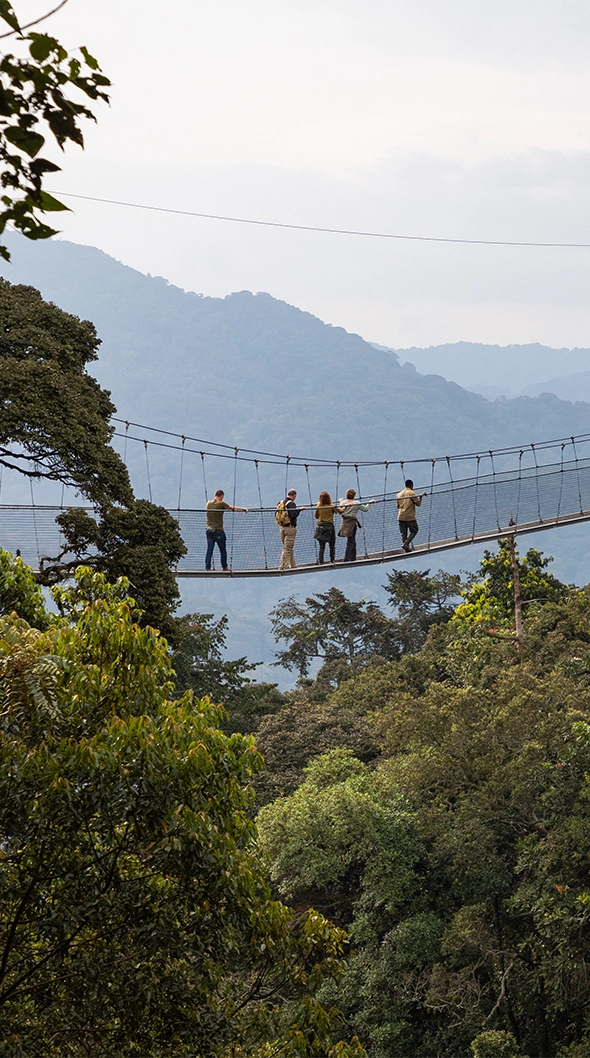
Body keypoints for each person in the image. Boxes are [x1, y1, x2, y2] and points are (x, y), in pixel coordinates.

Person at [205, 489, 248, 571]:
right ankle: (224, 567)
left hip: (209, 530)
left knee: (209, 550)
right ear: (221, 496)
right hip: (218, 530)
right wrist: (243, 509)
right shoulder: (221, 503)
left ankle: (207, 567)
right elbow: (232, 508)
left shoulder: (208, 503)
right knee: (223, 550)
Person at [338, 488, 374, 562]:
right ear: (354, 496)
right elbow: (365, 509)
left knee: (351, 539)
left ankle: (353, 557)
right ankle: (347, 558)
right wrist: (369, 503)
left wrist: (340, 501)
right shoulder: (356, 503)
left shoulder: (343, 503)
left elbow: (341, 507)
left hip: (345, 523)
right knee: (351, 540)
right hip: (352, 523)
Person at [396, 478, 428, 552]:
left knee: (404, 533)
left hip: (401, 517)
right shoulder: (412, 493)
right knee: (414, 530)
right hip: (409, 517)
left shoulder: (398, 494)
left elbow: (397, 506)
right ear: (411, 485)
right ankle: (406, 543)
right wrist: (421, 496)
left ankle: (406, 548)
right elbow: (418, 503)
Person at [277, 488, 300, 569]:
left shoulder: (281, 503)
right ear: (294, 495)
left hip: (282, 528)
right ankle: (283, 566)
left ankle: (293, 565)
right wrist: (299, 510)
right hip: (290, 528)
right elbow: (293, 515)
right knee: (288, 548)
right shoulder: (291, 504)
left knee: (288, 547)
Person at [314, 491, 340, 564]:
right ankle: (332, 560)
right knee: (332, 545)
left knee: (322, 546)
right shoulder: (331, 506)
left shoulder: (318, 506)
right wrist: (344, 505)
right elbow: (339, 511)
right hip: (330, 527)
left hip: (321, 527)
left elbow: (316, 516)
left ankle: (321, 561)